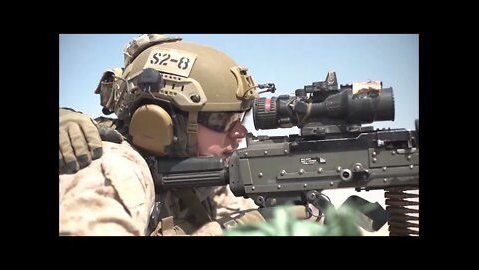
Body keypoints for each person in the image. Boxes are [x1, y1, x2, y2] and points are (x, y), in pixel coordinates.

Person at [59, 34, 309, 236]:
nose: (239, 131)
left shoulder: (193, 172)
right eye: (223, 119)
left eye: (240, 117)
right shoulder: (114, 172)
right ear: (161, 121)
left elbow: (235, 212)